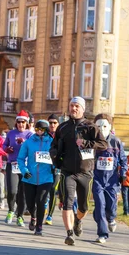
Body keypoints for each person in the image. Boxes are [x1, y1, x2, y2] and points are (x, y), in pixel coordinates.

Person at [49, 97, 108, 246]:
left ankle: (78, 219)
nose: (73, 109)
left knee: (83, 207)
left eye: (76, 106)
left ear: (82, 109)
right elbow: (53, 145)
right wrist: (54, 154)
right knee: (67, 202)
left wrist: (86, 143)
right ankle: (69, 234)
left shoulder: (90, 127)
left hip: (85, 172)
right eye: (71, 106)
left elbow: (103, 144)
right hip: (67, 171)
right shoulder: (62, 128)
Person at [92, 114, 128, 244]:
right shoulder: (93, 142)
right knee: (100, 205)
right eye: (98, 126)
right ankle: (102, 234)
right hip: (97, 179)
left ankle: (111, 218)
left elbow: (123, 160)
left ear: (110, 126)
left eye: (104, 126)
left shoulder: (116, 142)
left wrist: (123, 173)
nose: (101, 129)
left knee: (111, 207)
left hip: (112, 181)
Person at [17, 120, 54, 236]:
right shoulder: (28, 143)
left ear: (46, 130)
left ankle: (39, 226)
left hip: (46, 177)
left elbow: (57, 156)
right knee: (30, 203)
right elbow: (20, 159)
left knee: (41, 201)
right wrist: (24, 171)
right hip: (30, 177)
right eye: (37, 129)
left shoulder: (52, 142)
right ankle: (33, 216)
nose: (39, 131)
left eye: (41, 129)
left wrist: (55, 166)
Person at [3, 110, 33, 225]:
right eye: (19, 122)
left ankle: (20, 216)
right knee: (12, 190)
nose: (21, 124)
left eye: (23, 122)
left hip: (25, 166)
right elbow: (5, 144)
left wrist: (24, 142)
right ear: (16, 123)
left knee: (23, 192)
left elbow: (33, 147)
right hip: (12, 164)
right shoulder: (11, 133)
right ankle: (11, 210)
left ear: (27, 123)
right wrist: (6, 149)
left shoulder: (30, 134)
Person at [45, 113, 61, 225]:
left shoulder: (61, 135)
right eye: (50, 123)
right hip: (45, 166)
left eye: (55, 123)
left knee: (53, 190)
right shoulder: (44, 135)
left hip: (57, 167)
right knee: (44, 190)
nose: (52, 125)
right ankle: (44, 204)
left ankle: (49, 216)